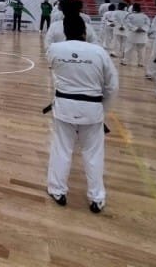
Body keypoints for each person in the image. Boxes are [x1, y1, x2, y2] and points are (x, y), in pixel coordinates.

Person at [46, 11, 118, 213]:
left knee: (61, 149)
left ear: (64, 31)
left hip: (64, 106)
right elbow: (112, 86)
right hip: (93, 107)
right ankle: (97, 197)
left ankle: (57, 190)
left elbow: (53, 67)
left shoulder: (54, 49)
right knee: (93, 154)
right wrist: (103, 109)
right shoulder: (99, 52)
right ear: (85, 31)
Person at [121, 3, 150, 67]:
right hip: (142, 34)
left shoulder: (130, 15)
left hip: (132, 34)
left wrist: (135, 28)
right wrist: (143, 29)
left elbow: (127, 23)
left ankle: (125, 61)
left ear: (133, 8)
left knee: (128, 48)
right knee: (141, 50)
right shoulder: (145, 16)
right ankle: (141, 63)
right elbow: (148, 24)